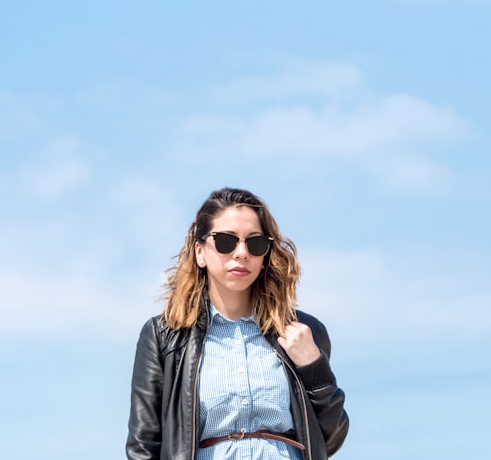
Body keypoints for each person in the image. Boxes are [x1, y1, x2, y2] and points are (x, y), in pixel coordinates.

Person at [126, 187, 349, 460]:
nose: (242, 253)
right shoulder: (164, 337)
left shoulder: (304, 332)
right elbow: (143, 446)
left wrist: (314, 368)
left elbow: (332, 437)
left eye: (255, 243)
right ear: (200, 252)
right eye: (226, 241)